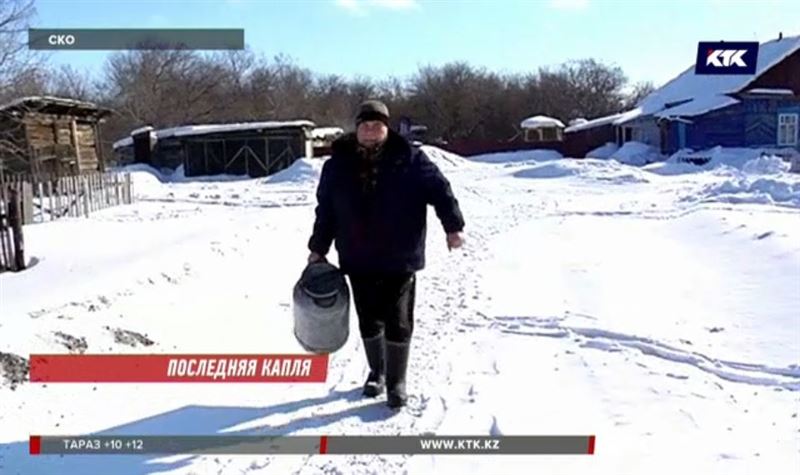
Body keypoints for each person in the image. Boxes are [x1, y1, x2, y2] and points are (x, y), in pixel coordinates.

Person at [307, 100, 466, 408]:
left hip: (400, 254)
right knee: (369, 317)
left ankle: (397, 382)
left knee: (398, 318)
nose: (370, 130)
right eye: (364, 125)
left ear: (386, 127)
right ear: (357, 128)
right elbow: (325, 210)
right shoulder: (337, 164)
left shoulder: (410, 158)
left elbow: (441, 191)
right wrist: (318, 248)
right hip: (357, 254)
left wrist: (452, 226)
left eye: (376, 125)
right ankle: (377, 373)